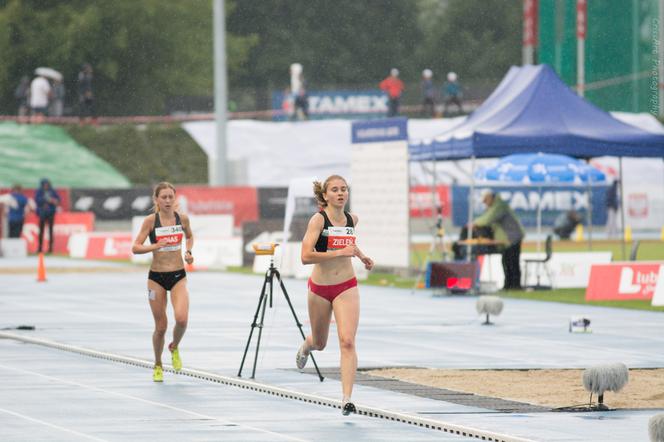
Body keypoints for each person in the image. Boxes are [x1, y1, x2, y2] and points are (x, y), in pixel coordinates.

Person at [296, 175, 374, 416]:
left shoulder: (353, 219)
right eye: (335, 190)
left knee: (347, 340)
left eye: (344, 189)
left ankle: (347, 399)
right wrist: (339, 252)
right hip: (320, 289)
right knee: (320, 342)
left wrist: (361, 256)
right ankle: (306, 347)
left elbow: (348, 242)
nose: (341, 193)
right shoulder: (318, 220)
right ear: (326, 195)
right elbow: (305, 256)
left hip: (346, 287)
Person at [132, 182, 194, 382]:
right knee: (161, 327)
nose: (168, 201)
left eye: (170, 197)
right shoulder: (151, 221)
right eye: (163, 197)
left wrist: (188, 251)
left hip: (178, 276)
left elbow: (190, 236)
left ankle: (174, 346)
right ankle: (158, 364)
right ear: (156, 200)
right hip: (156, 278)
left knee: (182, 319)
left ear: (175, 198)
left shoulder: (182, 218)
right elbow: (135, 247)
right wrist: (156, 245)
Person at [470, 189, 525, 290]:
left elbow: (488, 219)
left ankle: (515, 285)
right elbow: (486, 216)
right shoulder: (494, 206)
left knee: (512, 262)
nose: (485, 203)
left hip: (513, 237)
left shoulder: (500, 206)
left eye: (485, 200)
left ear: (491, 197)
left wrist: (474, 223)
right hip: (507, 239)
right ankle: (508, 285)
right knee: (506, 261)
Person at [35, 178, 60, 253]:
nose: (46, 186)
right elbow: (37, 200)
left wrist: (53, 201)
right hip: (42, 213)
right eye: (44, 185)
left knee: (50, 231)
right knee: (41, 231)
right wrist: (48, 200)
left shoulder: (52, 191)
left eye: (47, 185)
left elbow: (58, 200)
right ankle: (40, 247)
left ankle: (50, 248)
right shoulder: (39, 191)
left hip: (50, 213)